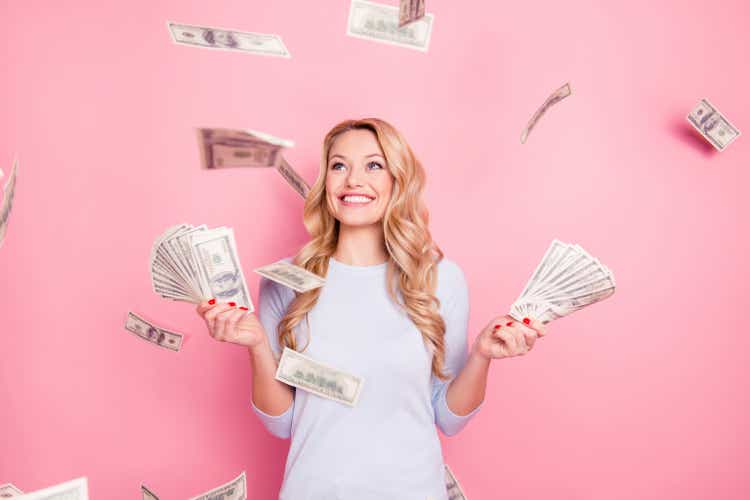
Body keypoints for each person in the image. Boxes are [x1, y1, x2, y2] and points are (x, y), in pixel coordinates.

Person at [196, 118, 547, 499]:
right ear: (325, 182)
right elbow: (281, 422)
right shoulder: (285, 280)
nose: (353, 180)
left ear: (397, 180)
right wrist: (257, 345)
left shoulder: (441, 279)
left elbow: (448, 417)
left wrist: (481, 355)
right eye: (339, 165)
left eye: (374, 165)